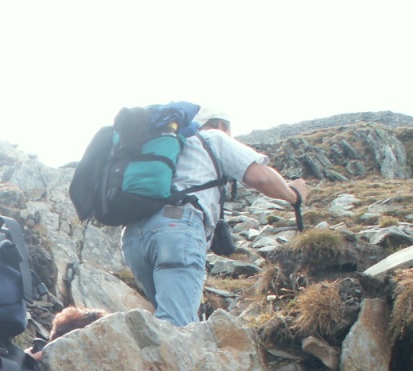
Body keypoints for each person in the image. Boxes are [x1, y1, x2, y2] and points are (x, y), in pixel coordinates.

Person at [121, 106, 310, 327]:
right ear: (220, 124)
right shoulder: (212, 137)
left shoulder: (154, 145)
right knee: (178, 325)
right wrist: (294, 194)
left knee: (163, 326)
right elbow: (261, 178)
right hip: (175, 228)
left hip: (132, 237)